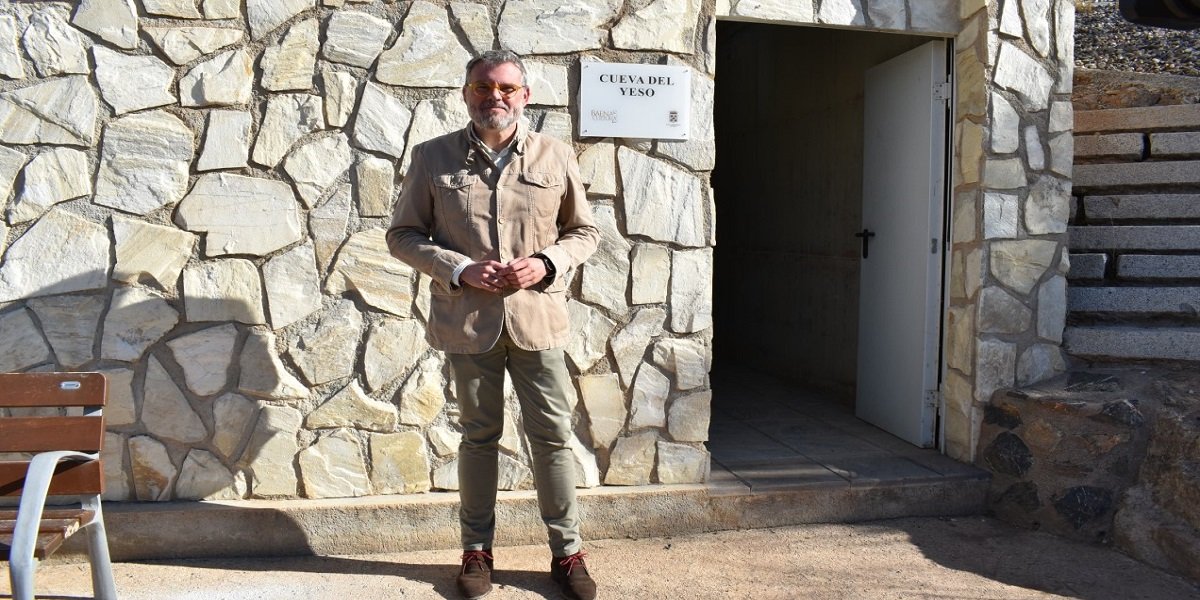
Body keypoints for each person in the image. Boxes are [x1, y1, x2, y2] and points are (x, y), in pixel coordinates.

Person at [386, 50, 600, 600]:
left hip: (538, 321)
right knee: (479, 438)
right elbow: (402, 235)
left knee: (551, 437)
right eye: (483, 87)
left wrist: (547, 262)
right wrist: (459, 267)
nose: (495, 97)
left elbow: (585, 232)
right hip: (469, 323)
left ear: (524, 96)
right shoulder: (432, 158)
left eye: (506, 88)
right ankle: (476, 551)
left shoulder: (556, 155)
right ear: (466, 94)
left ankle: (567, 552)